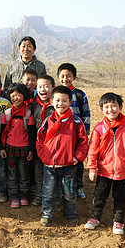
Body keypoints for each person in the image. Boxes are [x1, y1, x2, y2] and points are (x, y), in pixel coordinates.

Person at [84, 92, 125, 235]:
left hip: (123, 171)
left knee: (120, 197)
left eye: (114, 106)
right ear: (101, 109)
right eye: (106, 106)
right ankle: (95, 218)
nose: (110, 109)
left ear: (120, 107)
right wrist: (92, 168)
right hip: (104, 170)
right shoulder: (99, 128)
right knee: (99, 196)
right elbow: (92, 149)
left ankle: (118, 221)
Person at [36, 86, 89, 227]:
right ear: (52, 102)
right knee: (48, 192)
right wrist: (44, 155)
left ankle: (71, 214)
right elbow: (39, 140)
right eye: (57, 100)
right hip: (50, 166)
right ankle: (47, 214)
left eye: (64, 100)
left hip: (69, 166)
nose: (61, 104)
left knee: (69, 193)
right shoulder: (48, 121)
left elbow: (84, 142)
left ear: (70, 101)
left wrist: (77, 158)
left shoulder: (76, 122)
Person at [57, 62, 91, 199]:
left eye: (69, 76)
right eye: (63, 76)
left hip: (77, 134)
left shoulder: (79, 94)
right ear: (58, 77)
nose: (65, 79)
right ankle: (62, 187)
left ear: (74, 77)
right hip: (61, 134)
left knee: (78, 160)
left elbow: (86, 114)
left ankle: (79, 186)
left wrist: (85, 134)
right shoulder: (56, 93)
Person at [0, 83, 36, 208]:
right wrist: (2, 148)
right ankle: (14, 197)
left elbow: (32, 134)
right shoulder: (7, 113)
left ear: (24, 96)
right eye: (13, 95)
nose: (16, 98)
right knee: (12, 174)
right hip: (10, 149)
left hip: (24, 149)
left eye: (19, 95)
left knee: (24, 175)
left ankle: (24, 196)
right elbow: (2, 132)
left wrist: (31, 150)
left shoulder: (28, 114)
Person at [31, 75, 55, 206]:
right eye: (40, 86)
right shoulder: (34, 105)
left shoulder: (56, 106)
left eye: (46, 86)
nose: (43, 89)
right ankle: (40, 195)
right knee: (38, 172)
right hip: (38, 146)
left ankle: (53, 197)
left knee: (52, 174)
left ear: (53, 88)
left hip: (53, 147)